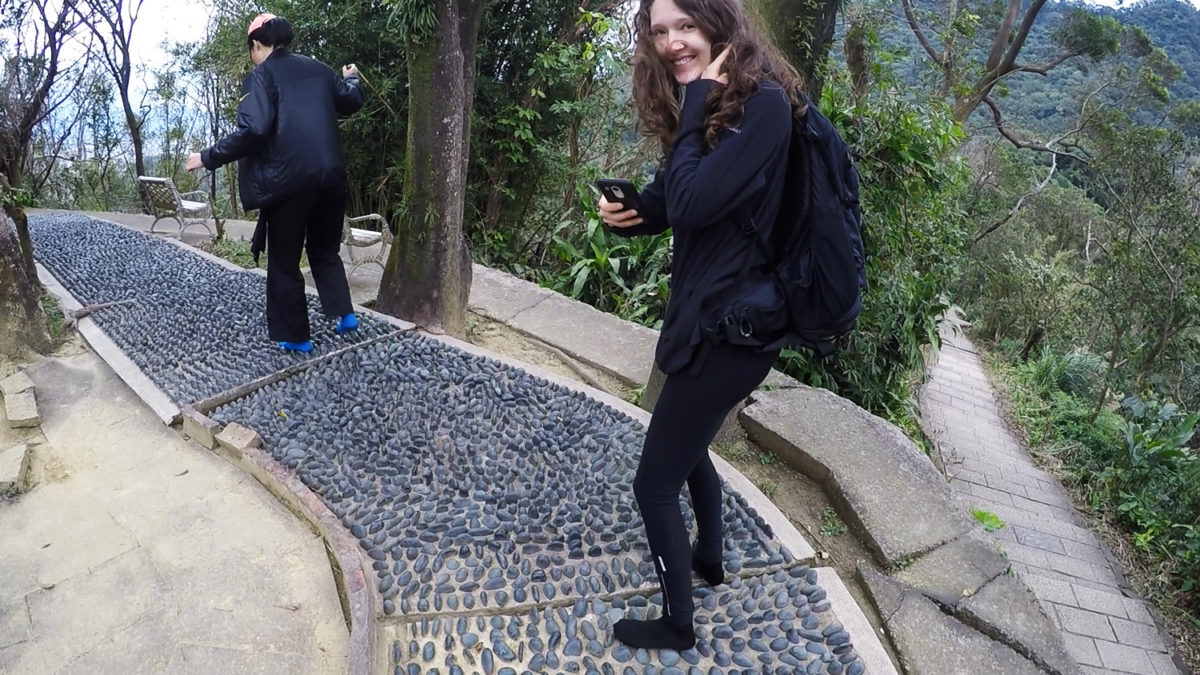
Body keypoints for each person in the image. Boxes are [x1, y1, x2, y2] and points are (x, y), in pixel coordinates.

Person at [596, 0, 806, 651]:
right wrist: (638, 209)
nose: (671, 42)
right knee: (687, 447)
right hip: (708, 317)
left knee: (653, 481)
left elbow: (694, 198)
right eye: (659, 31)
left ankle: (678, 622)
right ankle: (709, 556)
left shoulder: (762, 106)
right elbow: (681, 199)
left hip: (732, 329)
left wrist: (692, 109)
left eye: (685, 26)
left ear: (720, 25)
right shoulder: (720, 107)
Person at [186, 13, 363, 353]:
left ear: (256, 45)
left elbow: (253, 131)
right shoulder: (319, 68)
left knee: (284, 263)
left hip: (289, 184)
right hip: (331, 179)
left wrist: (208, 157)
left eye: (251, 50)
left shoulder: (261, 77)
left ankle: (297, 338)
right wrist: (352, 79)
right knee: (325, 249)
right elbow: (351, 101)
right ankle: (344, 315)